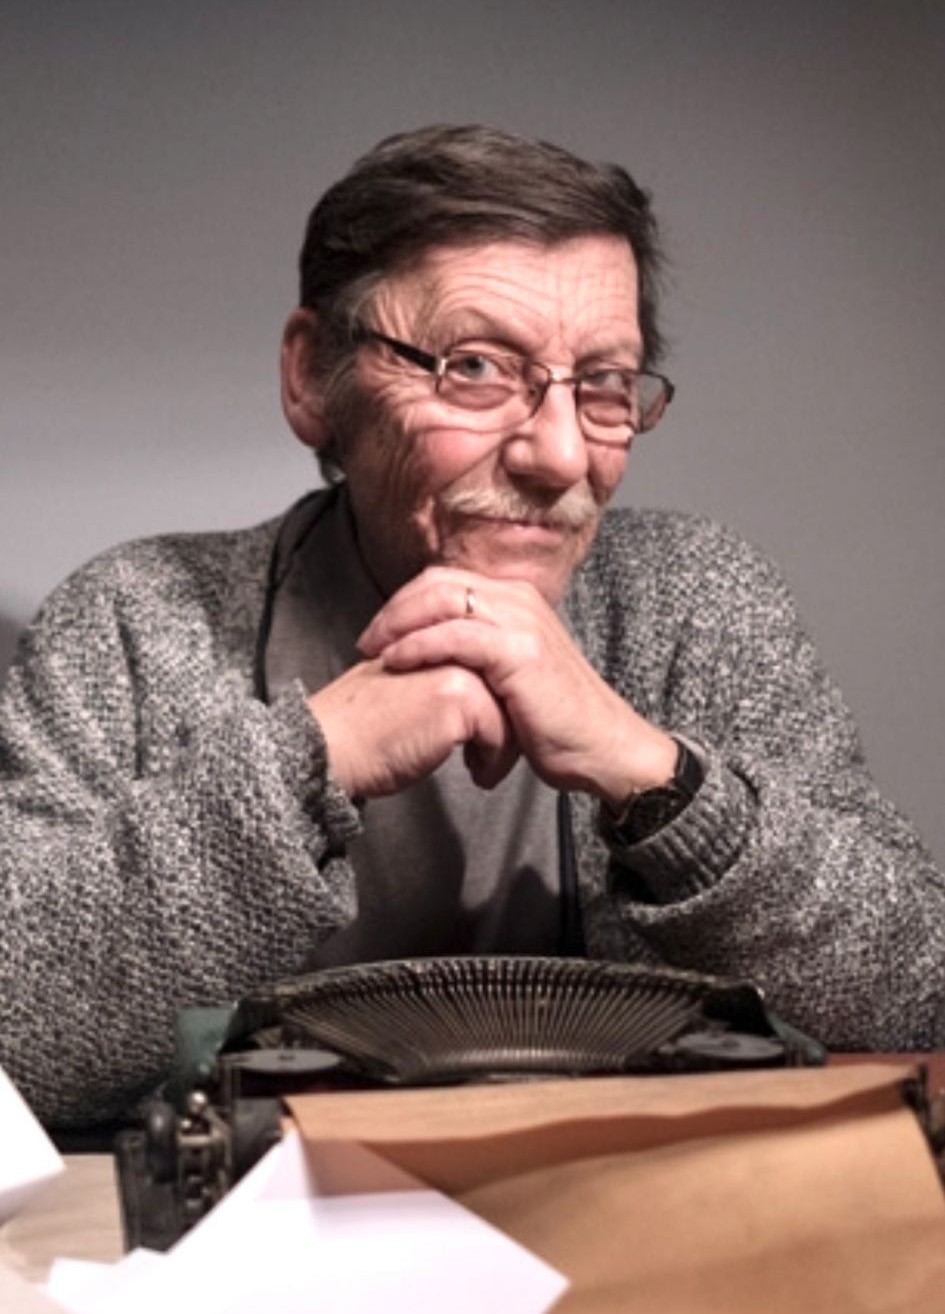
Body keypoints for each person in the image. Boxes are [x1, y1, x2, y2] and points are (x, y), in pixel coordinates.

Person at [2, 125, 943, 1129]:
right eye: (477, 367)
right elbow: (16, 1041)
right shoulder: (135, 621)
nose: (560, 455)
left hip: (637, 1211)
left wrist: (656, 782)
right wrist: (308, 765)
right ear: (313, 377)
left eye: (603, 383)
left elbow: (914, 996)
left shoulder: (697, 603)